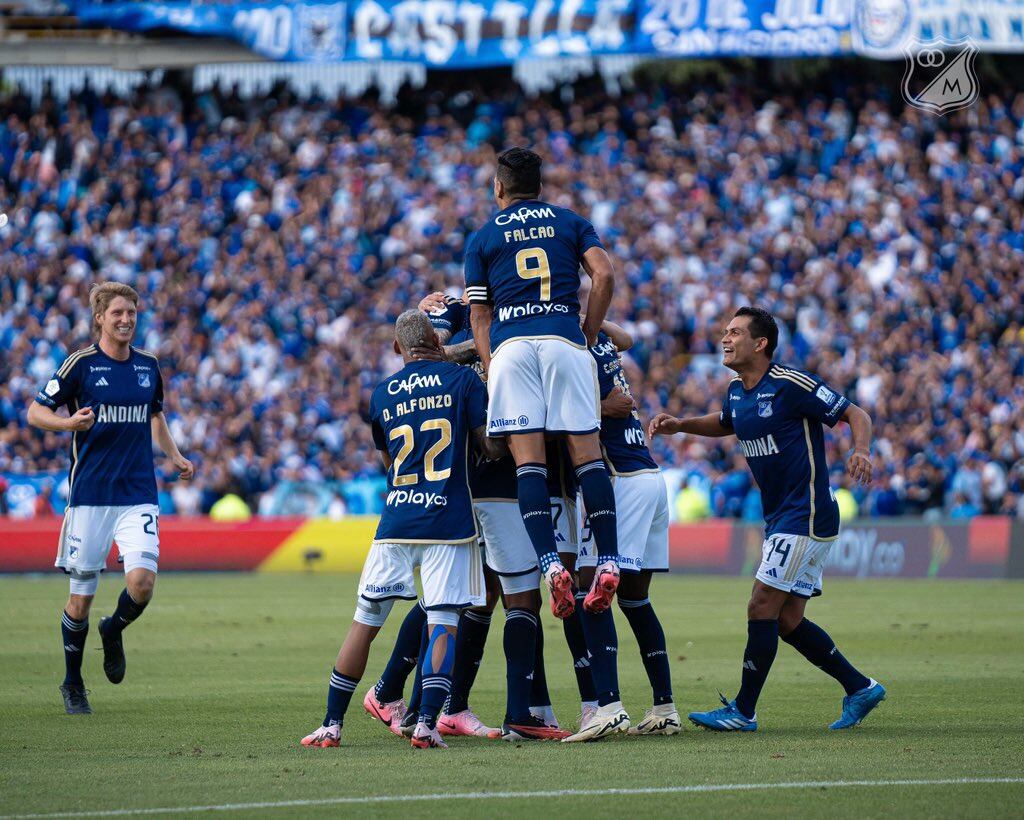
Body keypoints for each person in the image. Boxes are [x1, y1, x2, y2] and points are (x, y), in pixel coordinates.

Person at [649, 307, 885, 732]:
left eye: (735, 332)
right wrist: (680, 424)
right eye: (724, 331)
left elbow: (856, 414)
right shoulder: (738, 390)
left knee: (761, 604)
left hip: (806, 513)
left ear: (760, 344)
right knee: (787, 620)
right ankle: (860, 687)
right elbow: (726, 422)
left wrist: (861, 450)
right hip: (782, 517)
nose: (725, 338)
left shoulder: (790, 384)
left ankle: (743, 710)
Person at [300, 310, 505, 750]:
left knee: (365, 621)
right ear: (436, 339)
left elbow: (388, 462)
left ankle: (331, 725)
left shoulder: (382, 394)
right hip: (448, 522)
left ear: (397, 349)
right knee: (443, 623)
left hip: (395, 520)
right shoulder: (463, 383)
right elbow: (490, 446)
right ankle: (427, 725)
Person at [465, 146, 620, 620]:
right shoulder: (571, 222)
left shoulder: (483, 237)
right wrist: (588, 334)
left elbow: (479, 314)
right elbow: (605, 273)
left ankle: (551, 564)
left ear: (499, 188)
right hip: (563, 339)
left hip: (512, 347)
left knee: (527, 462)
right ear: (540, 187)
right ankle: (609, 562)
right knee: (586, 454)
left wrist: (492, 367)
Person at [27, 282, 194, 715]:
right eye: (117, 312)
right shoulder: (80, 364)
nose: (126, 320)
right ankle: (72, 681)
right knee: (79, 599)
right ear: (99, 317)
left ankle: (113, 628)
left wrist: (174, 455)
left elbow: (154, 414)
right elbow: (35, 411)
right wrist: (69, 426)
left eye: (132, 313)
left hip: (138, 492)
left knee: (142, 583)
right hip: (90, 497)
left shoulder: (148, 366)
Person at [567, 321, 678, 741]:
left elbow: (567, 415)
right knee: (635, 598)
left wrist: (598, 408)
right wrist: (587, 316)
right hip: (649, 475)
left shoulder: (572, 352)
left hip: (619, 480)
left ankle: (608, 705)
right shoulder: (599, 341)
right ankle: (664, 706)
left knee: (590, 586)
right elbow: (627, 340)